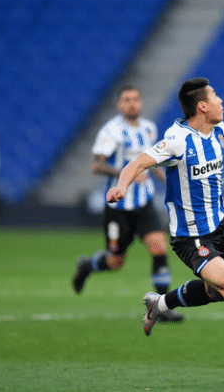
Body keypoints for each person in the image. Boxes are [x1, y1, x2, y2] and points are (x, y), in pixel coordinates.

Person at [106, 77, 224, 384]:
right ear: (202, 106)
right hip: (190, 237)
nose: (222, 101)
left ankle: (159, 304)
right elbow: (138, 163)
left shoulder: (219, 131)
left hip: (216, 231)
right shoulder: (177, 140)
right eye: (216, 96)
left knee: (215, 292)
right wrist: (121, 186)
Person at [72, 85, 183, 323]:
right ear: (119, 104)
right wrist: (126, 172)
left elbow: (152, 164)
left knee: (159, 247)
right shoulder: (111, 131)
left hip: (144, 202)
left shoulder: (149, 129)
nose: (131, 103)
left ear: (140, 103)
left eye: (135, 99)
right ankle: (86, 265)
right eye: (126, 99)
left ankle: (161, 308)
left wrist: (172, 184)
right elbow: (96, 166)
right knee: (115, 262)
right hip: (118, 206)